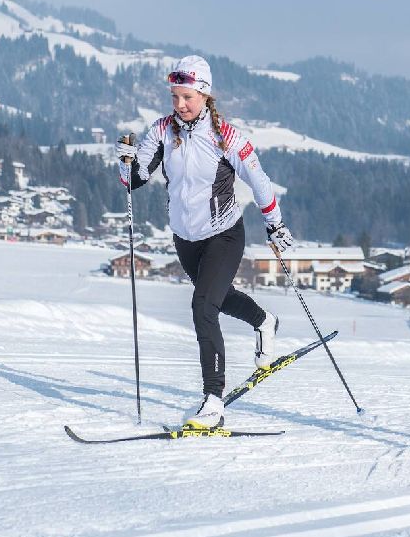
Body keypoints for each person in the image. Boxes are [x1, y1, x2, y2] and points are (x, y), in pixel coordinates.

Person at [116, 55, 295, 430]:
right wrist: (126, 163)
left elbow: (260, 182)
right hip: (186, 239)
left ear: (205, 96)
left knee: (202, 307)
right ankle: (265, 321)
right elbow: (136, 180)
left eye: (187, 97)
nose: (180, 105)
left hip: (224, 235)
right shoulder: (162, 131)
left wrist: (274, 224)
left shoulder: (226, 137)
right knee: (218, 296)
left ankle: (213, 400)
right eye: (175, 97)